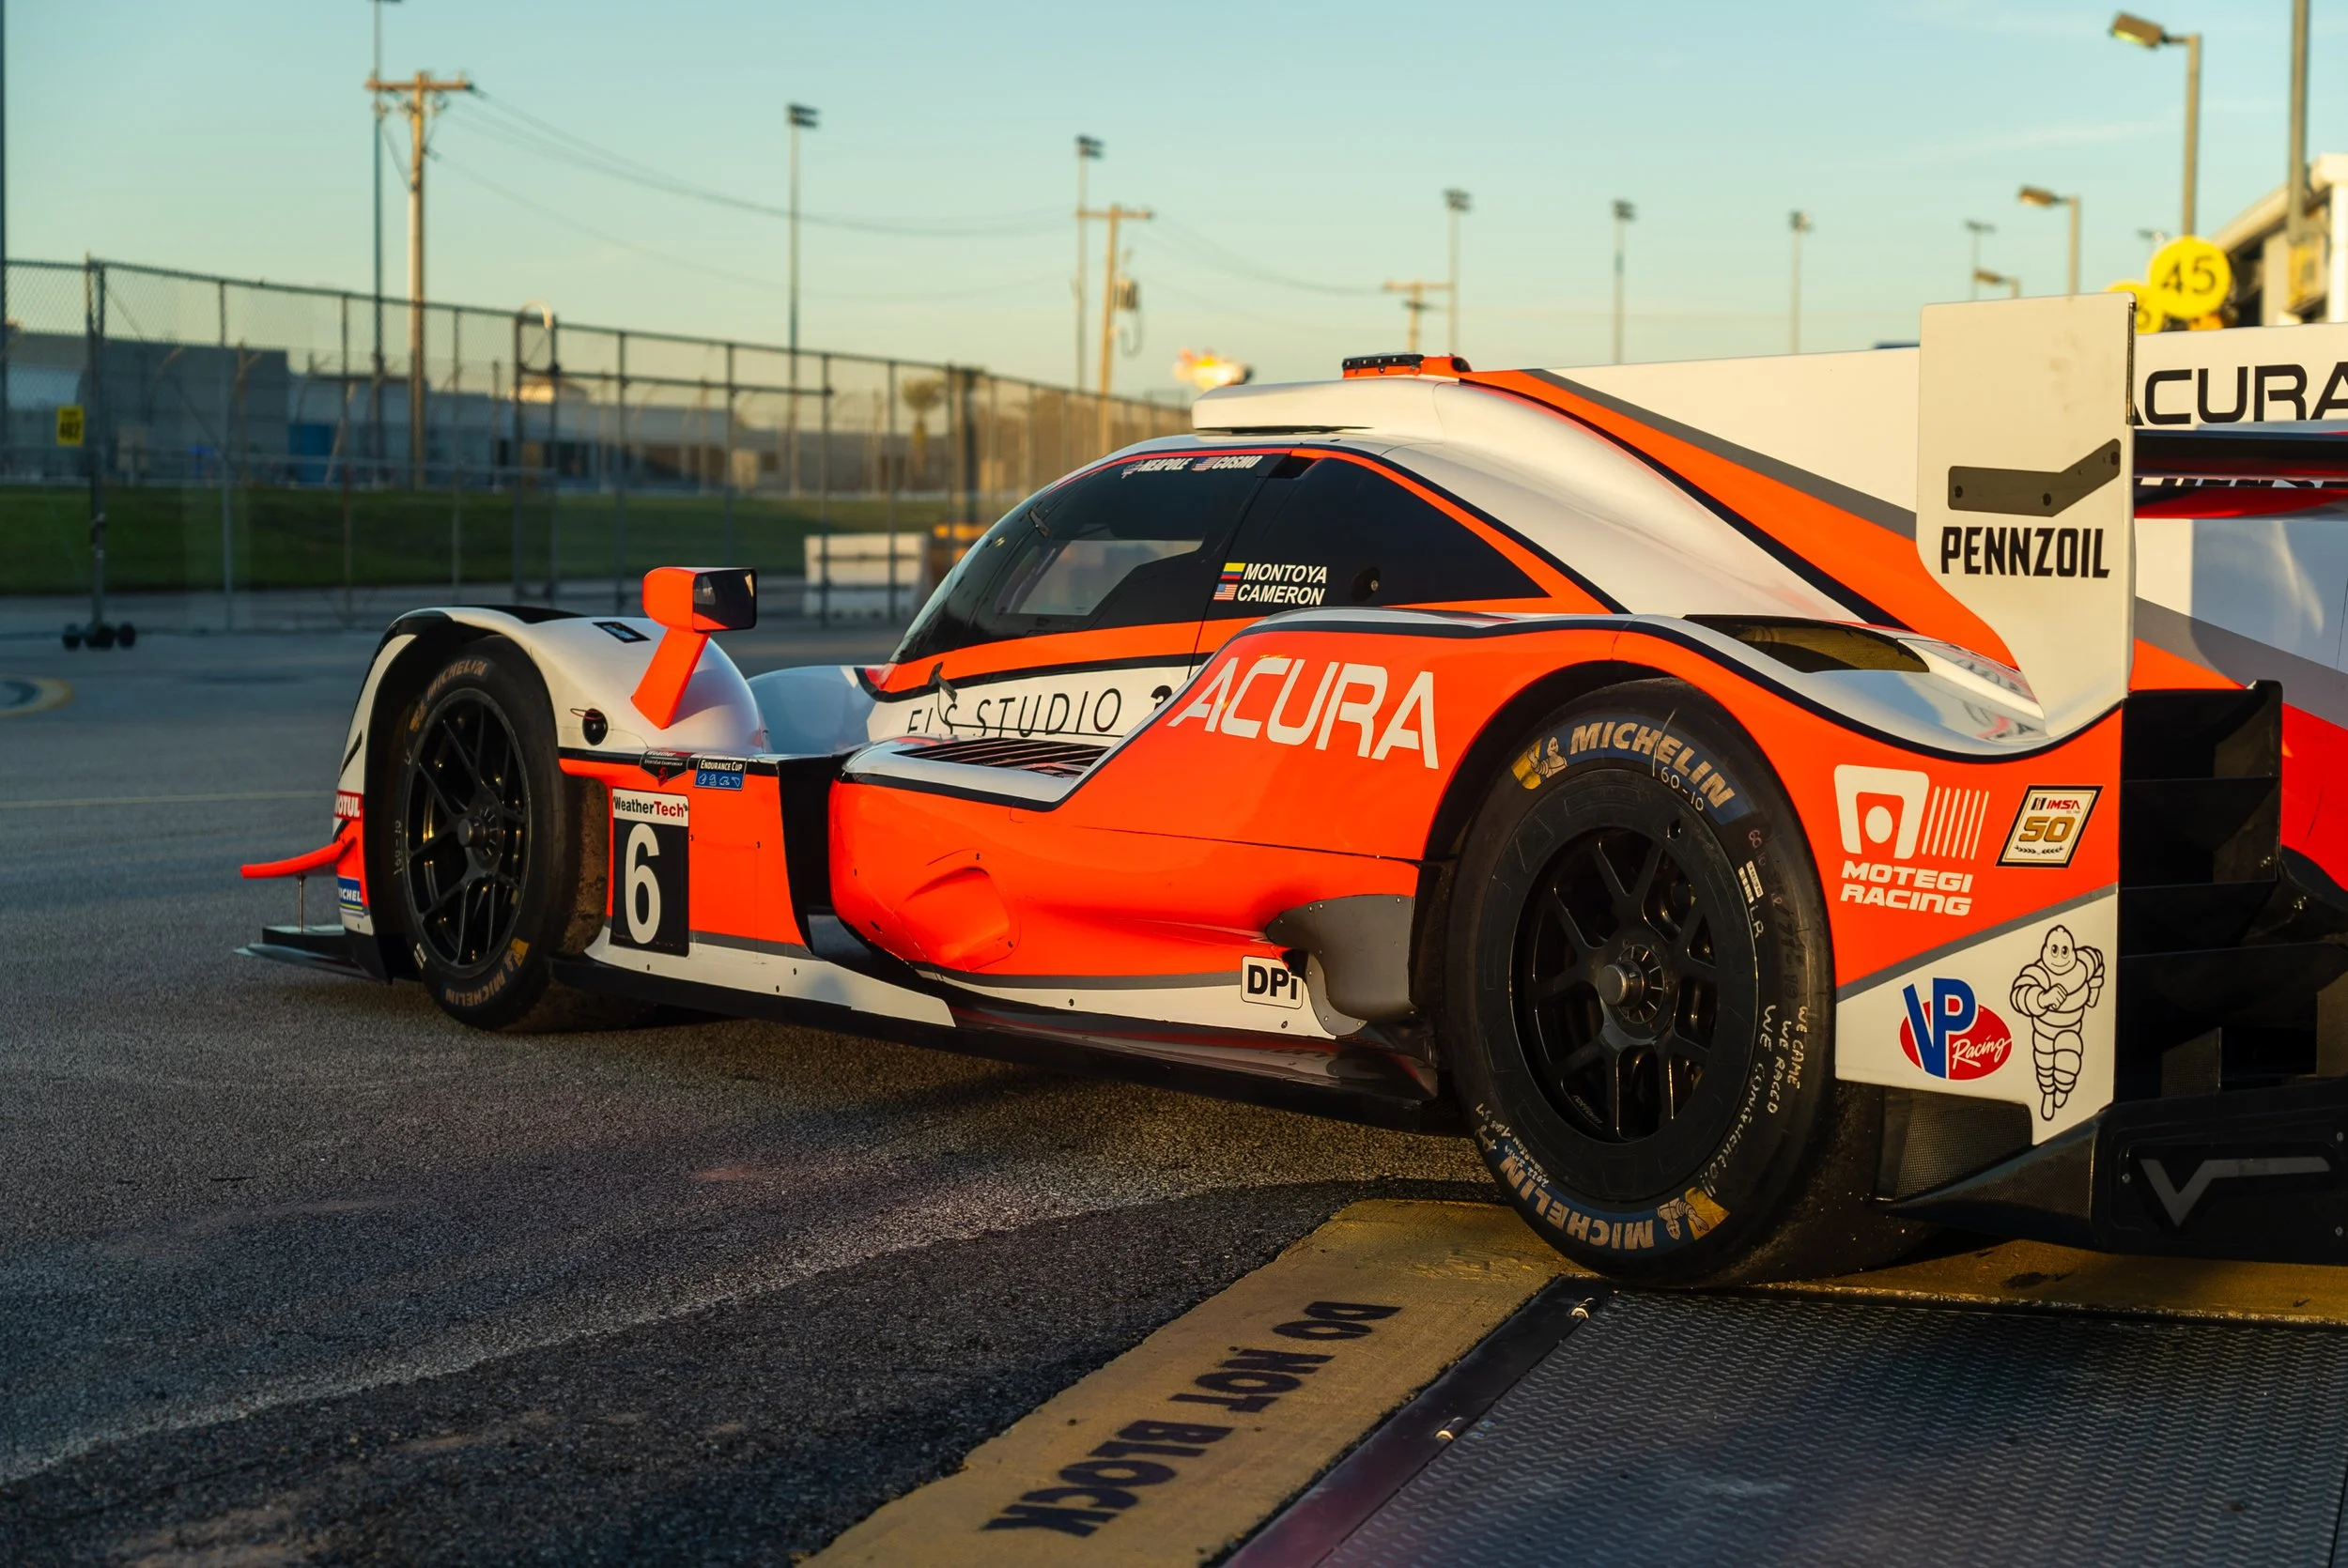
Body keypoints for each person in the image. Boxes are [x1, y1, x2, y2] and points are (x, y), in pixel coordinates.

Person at [2010, 925, 2105, 1120]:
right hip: (2043, 1032)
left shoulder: (2083, 965)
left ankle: (2063, 1089)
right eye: (2054, 950)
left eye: (2064, 950)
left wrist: (2093, 990)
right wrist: (2042, 999)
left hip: (2071, 1028)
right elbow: (2020, 994)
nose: (2060, 957)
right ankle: (2048, 1092)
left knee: (2069, 1064)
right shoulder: (2039, 973)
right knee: (2044, 1065)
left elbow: (2097, 962)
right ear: (2046, 950)